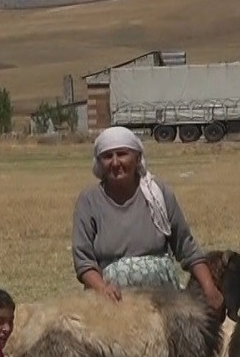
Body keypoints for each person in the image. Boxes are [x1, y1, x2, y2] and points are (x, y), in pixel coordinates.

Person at [71, 126, 224, 317]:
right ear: (99, 162)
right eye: (107, 156)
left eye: (122, 154)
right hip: (112, 304)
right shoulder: (89, 201)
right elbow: (84, 261)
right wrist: (102, 288)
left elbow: (187, 248)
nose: (116, 162)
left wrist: (210, 289)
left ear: (137, 157)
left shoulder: (158, 194)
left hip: (162, 304)